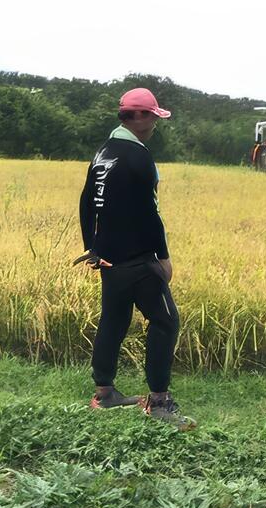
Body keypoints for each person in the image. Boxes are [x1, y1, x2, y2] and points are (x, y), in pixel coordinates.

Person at [74, 87, 195, 430]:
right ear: (138, 116)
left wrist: (92, 247)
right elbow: (149, 212)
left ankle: (104, 393)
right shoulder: (138, 156)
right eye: (153, 115)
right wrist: (163, 257)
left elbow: (87, 201)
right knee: (166, 321)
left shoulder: (104, 151)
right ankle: (159, 402)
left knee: (114, 319)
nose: (156, 122)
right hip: (138, 258)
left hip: (108, 258)